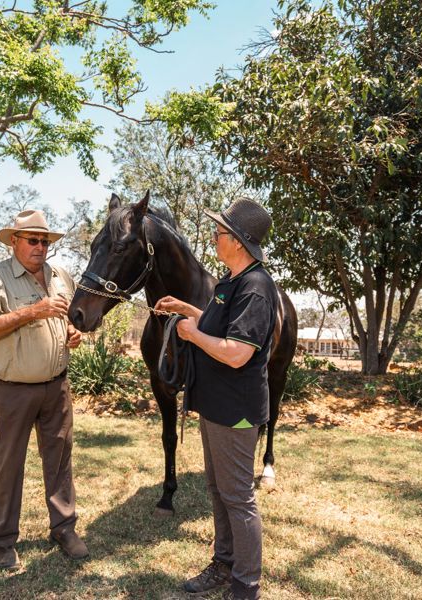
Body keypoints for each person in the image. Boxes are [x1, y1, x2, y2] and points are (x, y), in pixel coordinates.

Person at [155, 198, 278, 600]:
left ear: (239, 241)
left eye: (220, 232)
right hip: (213, 405)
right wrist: (188, 310)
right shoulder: (230, 282)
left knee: (238, 498)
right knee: (218, 490)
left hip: (235, 410)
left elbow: (237, 352)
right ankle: (224, 564)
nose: (213, 237)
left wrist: (192, 334)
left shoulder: (256, 288)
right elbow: (219, 325)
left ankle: (246, 585)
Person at [0, 209, 87, 571]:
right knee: (9, 465)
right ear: (14, 242)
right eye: (33, 240)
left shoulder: (60, 276)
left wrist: (73, 333)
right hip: (13, 389)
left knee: (60, 460)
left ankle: (64, 528)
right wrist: (33, 311)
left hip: (57, 386)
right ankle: (2, 540)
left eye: (45, 241)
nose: (40, 247)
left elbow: (68, 318)